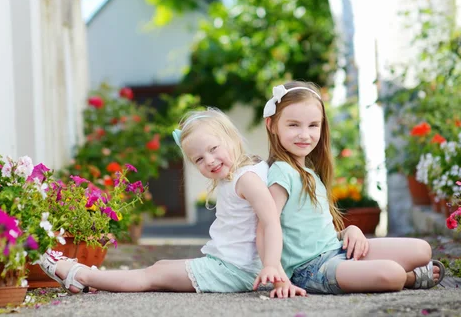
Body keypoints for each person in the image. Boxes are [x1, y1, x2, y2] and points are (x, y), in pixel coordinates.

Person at [38, 108, 306, 297]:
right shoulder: (244, 173)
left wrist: (274, 269)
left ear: (232, 140)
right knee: (160, 268)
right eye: (199, 159)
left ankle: (81, 274)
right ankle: (90, 277)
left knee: (153, 277)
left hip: (235, 271)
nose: (209, 161)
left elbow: (271, 221)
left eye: (214, 149)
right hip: (229, 265)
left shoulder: (246, 179)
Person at [260, 81, 445, 294]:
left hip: (336, 250)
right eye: (293, 125)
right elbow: (267, 226)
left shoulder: (310, 173)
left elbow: (312, 233)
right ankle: (408, 278)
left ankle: (379, 272)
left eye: (313, 125)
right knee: (392, 274)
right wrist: (277, 276)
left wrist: (349, 231)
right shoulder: (281, 172)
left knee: (422, 249)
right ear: (272, 125)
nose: (305, 134)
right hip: (311, 268)